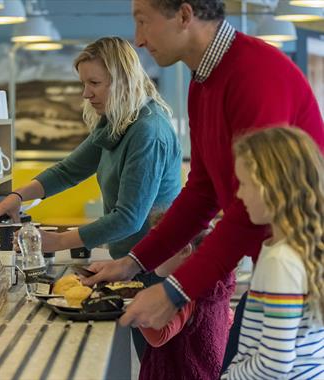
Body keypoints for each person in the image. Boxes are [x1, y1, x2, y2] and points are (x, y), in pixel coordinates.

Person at [83, 0, 324, 369]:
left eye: (143, 21)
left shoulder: (253, 74)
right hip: (269, 269)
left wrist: (176, 291)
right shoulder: (202, 83)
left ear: (184, 15)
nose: (139, 38)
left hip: (294, 273)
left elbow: (251, 208)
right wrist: (134, 262)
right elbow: (202, 191)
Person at [0, 36, 182, 358]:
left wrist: (55, 242)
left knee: (162, 365)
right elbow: (68, 170)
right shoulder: (117, 123)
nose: (86, 93)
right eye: (83, 83)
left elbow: (129, 217)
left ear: (123, 81)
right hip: (132, 263)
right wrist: (17, 196)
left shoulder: (148, 131)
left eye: (94, 83)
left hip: (157, 267)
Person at [221, 126, 324, 378]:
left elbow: (274, 363)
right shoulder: (297, 249)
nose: (239, 194)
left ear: (274, 188)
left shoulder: (282, 260)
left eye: (244, 184)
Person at [138, 215, 235, 380]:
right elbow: (228, 317)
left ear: (184, 250)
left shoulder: (185, 295)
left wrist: (136, 309)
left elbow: (159, 335)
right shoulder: (214, 288)